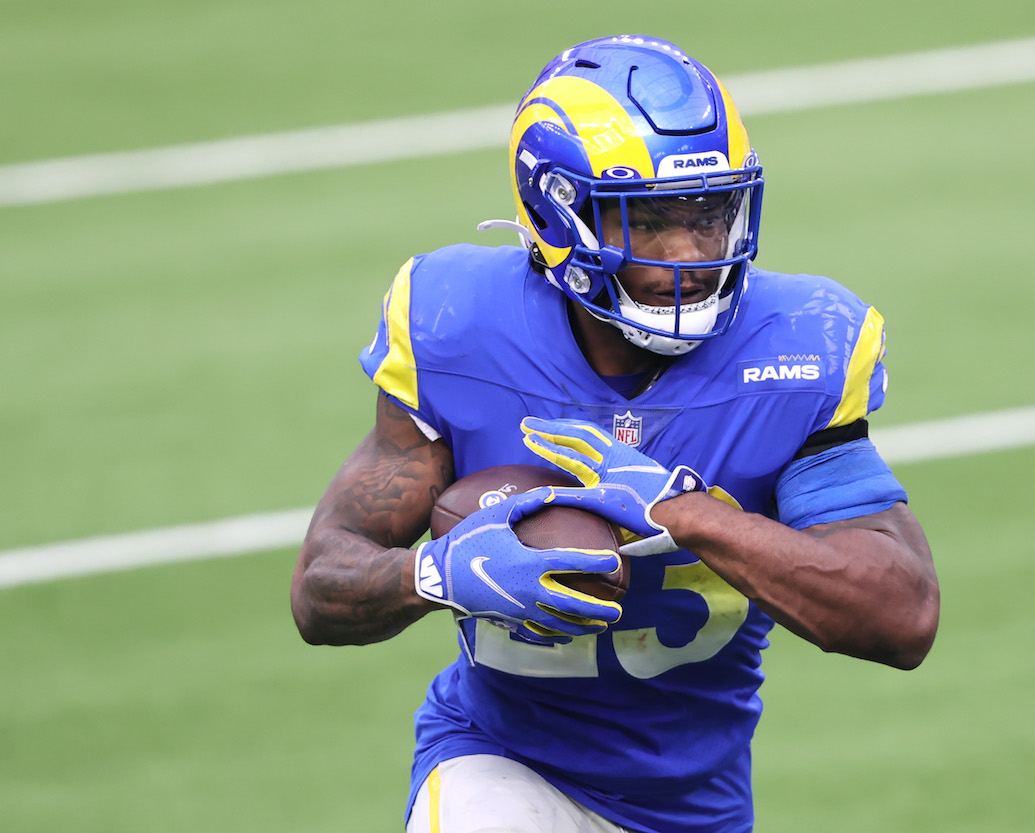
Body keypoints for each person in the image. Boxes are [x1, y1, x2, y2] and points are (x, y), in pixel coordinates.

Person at [291, 34, 939, 833]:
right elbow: (321, 587)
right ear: (560, 213)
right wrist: (437, 575)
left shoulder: (797, 347)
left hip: (695, 809)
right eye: (653, 221)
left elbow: (902, 616)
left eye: (711, 214)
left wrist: (691, 514)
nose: (694, 256)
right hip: (499, 765)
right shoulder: (460, 326)